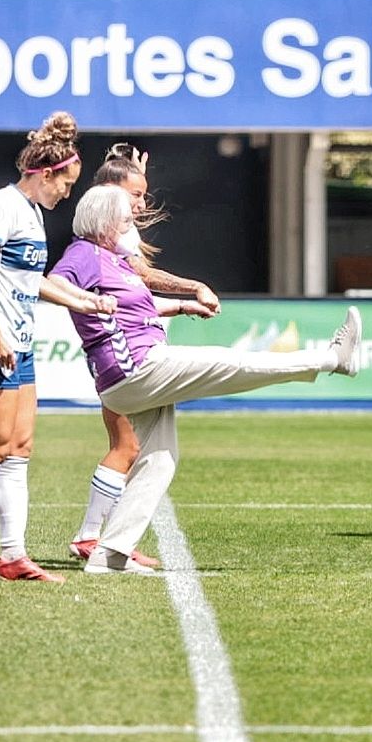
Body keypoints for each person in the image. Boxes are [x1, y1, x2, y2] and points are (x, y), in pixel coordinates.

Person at [49, 184, 362, 574]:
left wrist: (184, 305)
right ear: (104, 223)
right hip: (136, 368)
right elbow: (53, 283)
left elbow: (141, 304)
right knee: (232, 363)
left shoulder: (116, 260)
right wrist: (87, 302)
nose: (133, 227)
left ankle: (110, 553)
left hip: (132, 375)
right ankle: (332, 359)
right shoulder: (85, 253)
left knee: (161, 459)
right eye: (126, 220)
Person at [0, 112, 116, 585]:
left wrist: (84, 300)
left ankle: (12, 556)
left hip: (19, 344)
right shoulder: (2, 206)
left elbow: (31, 284)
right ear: (45, 174)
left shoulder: (31, 214)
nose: (66, 194)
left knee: (20, 447)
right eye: (66, 185)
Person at [67, 143, 223, 570]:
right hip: (125, 351)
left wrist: (129, 171)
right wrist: (192, 287)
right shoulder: (106, 231)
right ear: (112, 191)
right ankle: (92, 537)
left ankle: (98, 536)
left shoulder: (115, 221)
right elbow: (143, 275)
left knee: (128, 445)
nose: (142, 202)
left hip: (136, 342)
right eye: (135, 194)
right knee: (127, 444)